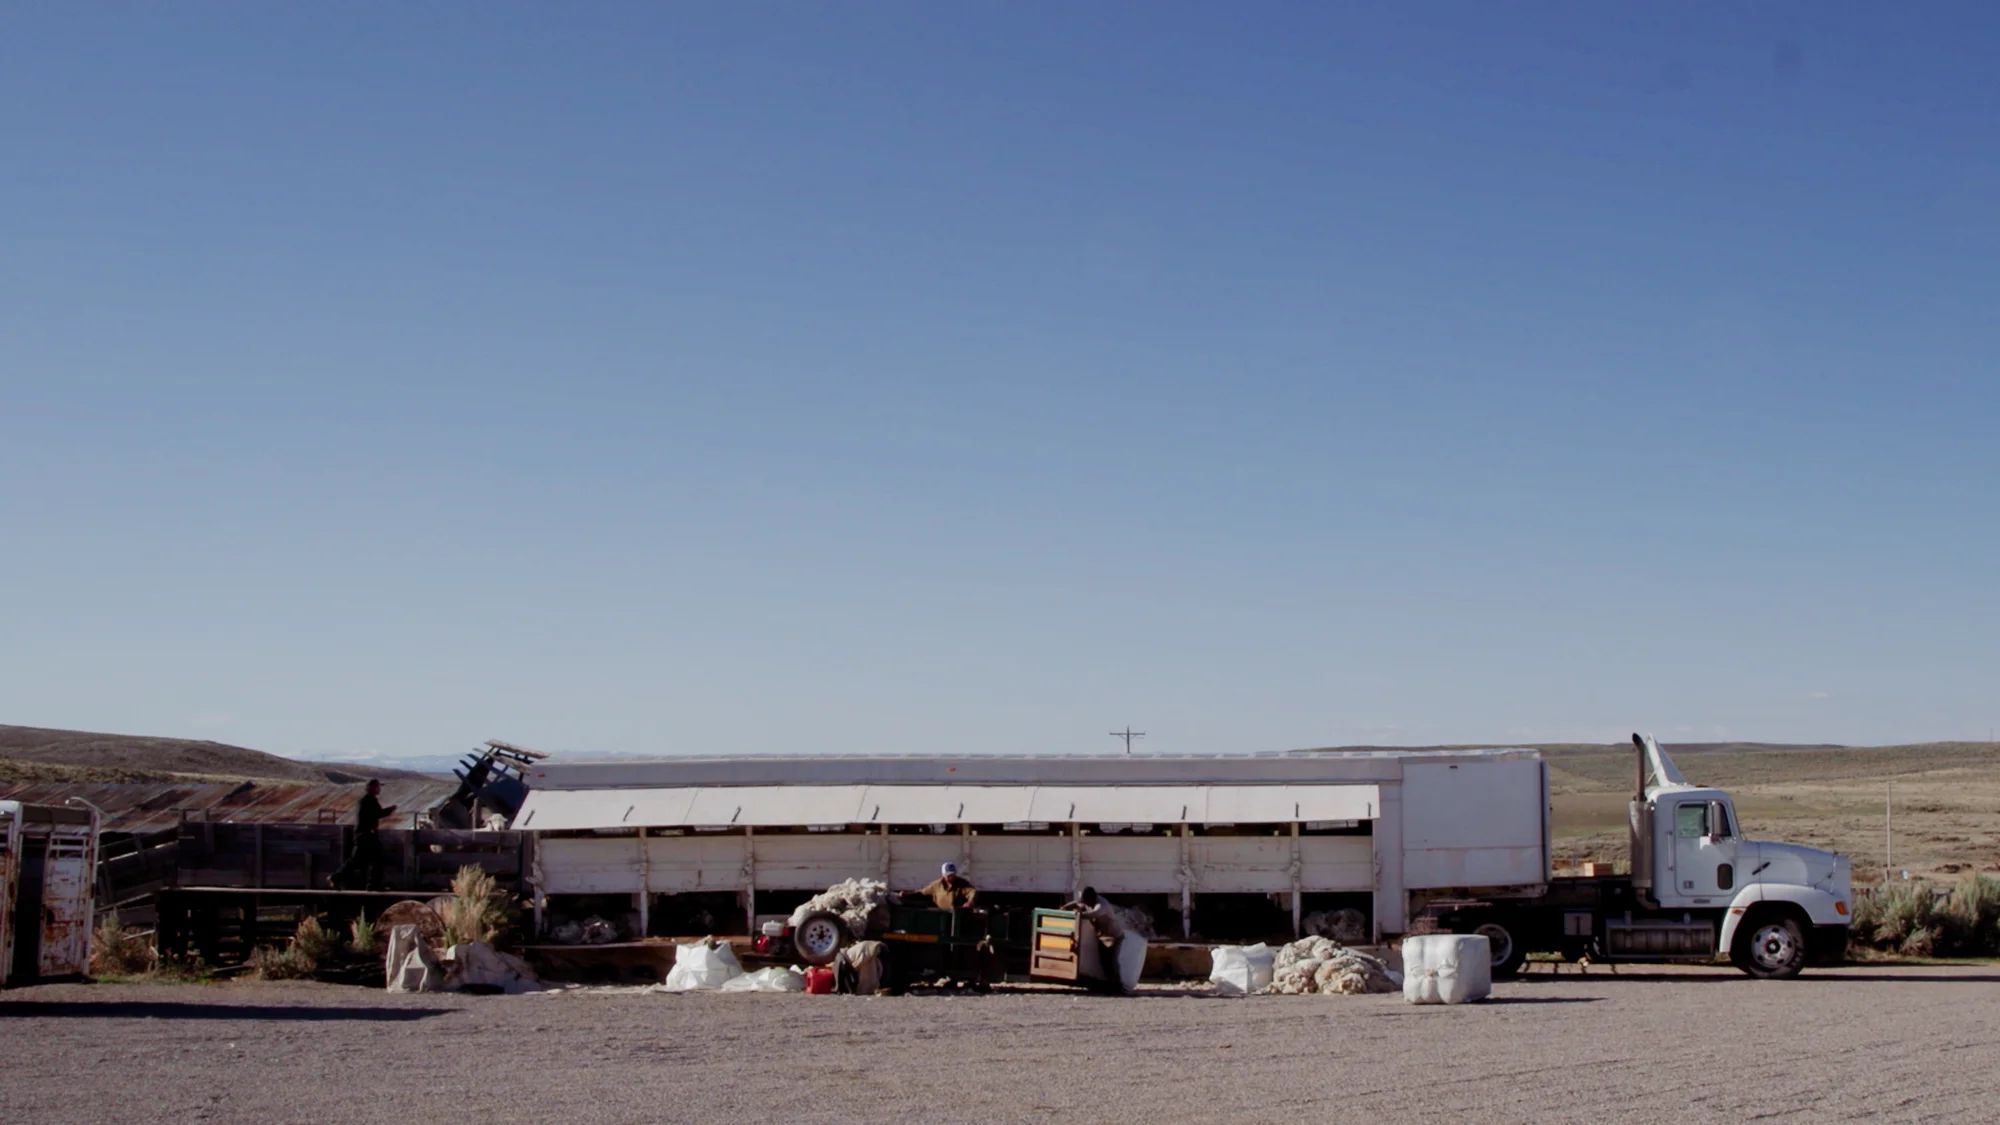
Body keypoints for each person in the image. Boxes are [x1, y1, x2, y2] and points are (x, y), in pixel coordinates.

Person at [1061, 886, 1144, 995]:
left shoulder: (1102, 905)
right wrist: (1064, 907)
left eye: (1087, 902)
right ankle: (1110, 987)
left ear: (1092, 899)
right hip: (1103, 936)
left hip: (1113, 936)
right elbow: (1077, 902)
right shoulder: (1090, 900)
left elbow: (1094, 914)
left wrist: (1078, 915)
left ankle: (1117, 988)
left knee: (1110, 963)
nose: (1086, 904)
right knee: (1104, 962)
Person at [332, 780, 397, 891]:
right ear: (372, 788)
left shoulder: (367, 800)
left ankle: (337, 878)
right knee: (376, 859)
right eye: (377, 787)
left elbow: (376, 813)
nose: (379, 789)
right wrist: (390, 810)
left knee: (358, 861)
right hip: (366, 836)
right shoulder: (368, 801)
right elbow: (377, 813)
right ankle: (372, 885)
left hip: (364, 835)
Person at [914, 861, 978, 911]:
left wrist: (969, 902)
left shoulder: (962, 883)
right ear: (943, 875)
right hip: (941, 913)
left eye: (952, 875)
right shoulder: (936, 885)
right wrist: (907, 894)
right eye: (948, 876)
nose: (951, 878)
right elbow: (922, 892)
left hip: (957, 914)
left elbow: (972, 892)